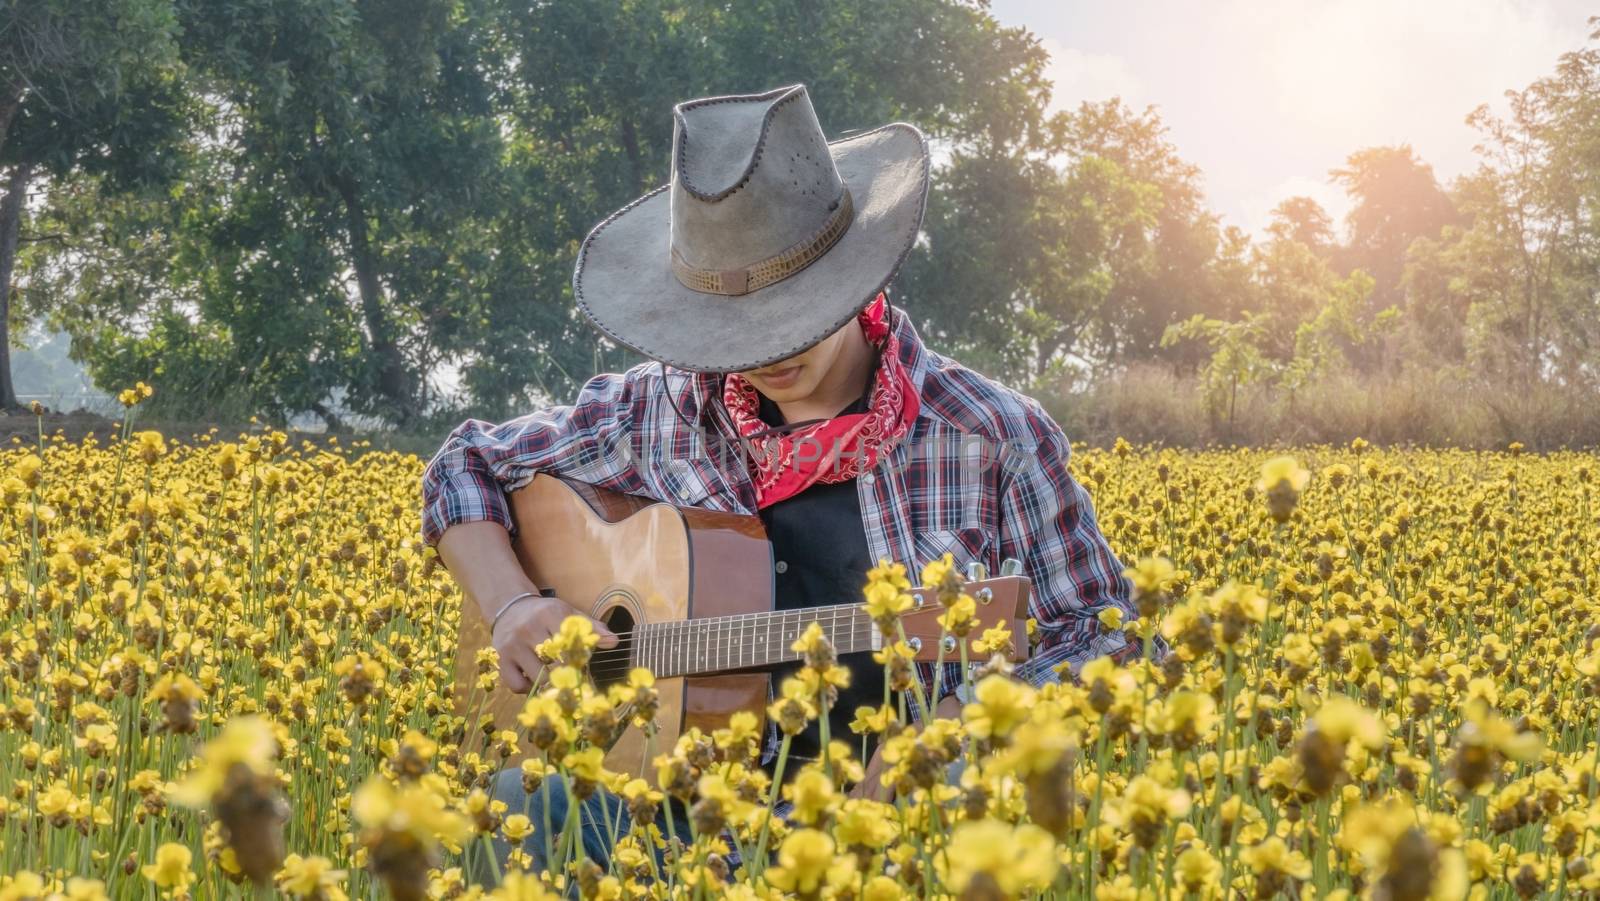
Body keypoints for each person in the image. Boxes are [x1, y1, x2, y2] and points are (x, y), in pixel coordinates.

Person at [419, 84, 1145, 881]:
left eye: (794, 312)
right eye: (731, 331)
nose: (766, 351)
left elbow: (1106, 634)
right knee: (501, 809)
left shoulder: (993, 436)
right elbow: (467, 464)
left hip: (897, 844)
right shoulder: (660, 408)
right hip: (675, 822)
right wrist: (514, 603)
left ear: (856, 275)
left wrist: (948, 733)